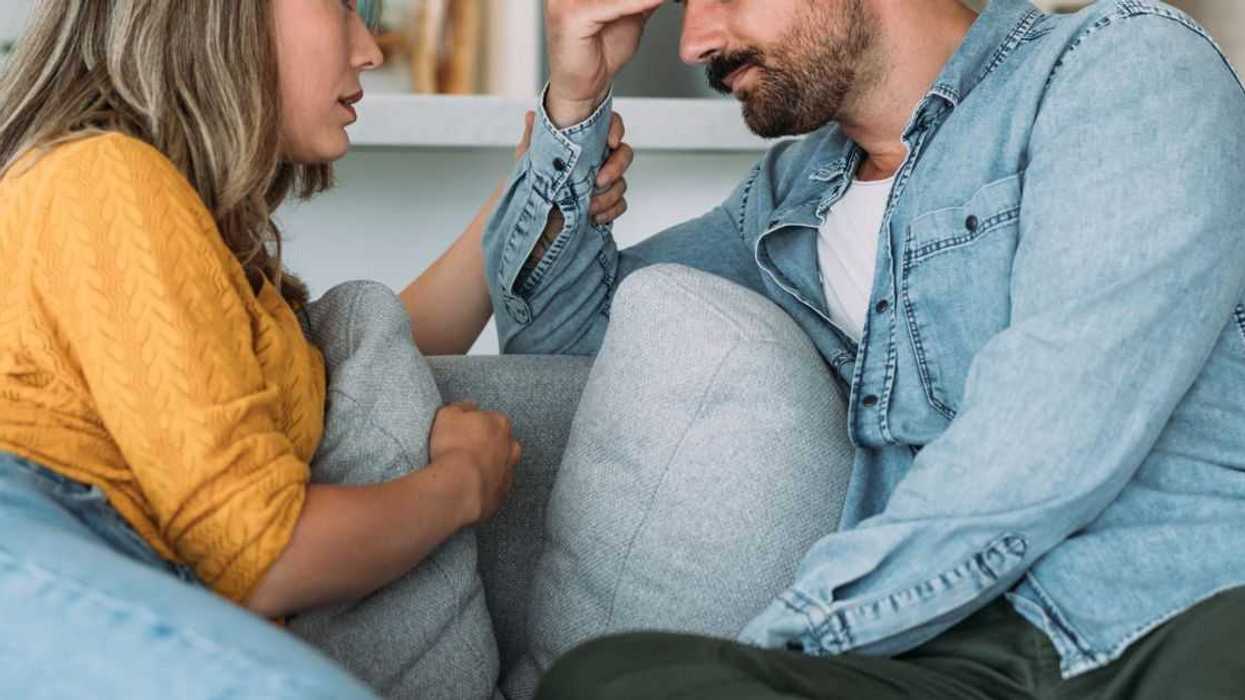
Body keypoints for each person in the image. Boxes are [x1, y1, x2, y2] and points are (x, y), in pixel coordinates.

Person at [479, 0, 1245, 697]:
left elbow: (1049, 434)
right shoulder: (791, 195)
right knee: (607, 682)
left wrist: (799, 642)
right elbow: (563, 346)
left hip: (1160, 620)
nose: (694, 43)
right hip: (955, 649)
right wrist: (575, 102)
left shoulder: (1117, 65)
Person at [0, 0, 633, 695]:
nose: (368, 50)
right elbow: (264, 556)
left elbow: (371, 356)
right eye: (340, 8)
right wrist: (461, 486)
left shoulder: (167, 217)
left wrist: (544, 168)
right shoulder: (102, 177)